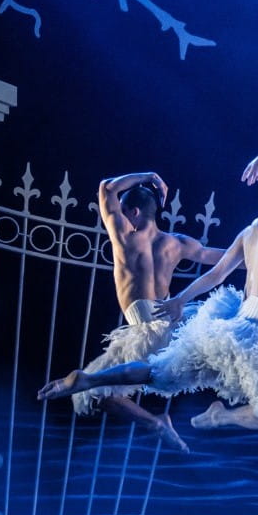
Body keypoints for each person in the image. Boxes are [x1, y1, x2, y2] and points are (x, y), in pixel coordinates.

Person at [39, 152, 258, 440]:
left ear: (132, 212)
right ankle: (210, 415)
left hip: (197, 318)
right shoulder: (184, 242)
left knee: (158, 373)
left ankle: (92, 380)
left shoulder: (248, 232)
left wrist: (180, 299)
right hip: (208, 321)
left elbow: (216, 274)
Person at [68, 172, 224, 452]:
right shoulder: (177, 243)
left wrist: (150, 176)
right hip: (171, 326)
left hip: (144, 332)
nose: (123, 217)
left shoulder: (126, 238)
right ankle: (160, 421)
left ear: (134, 212)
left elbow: (106, 188)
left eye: (125, 213)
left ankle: (156, 423)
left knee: (91, 391)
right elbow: (229, 260)